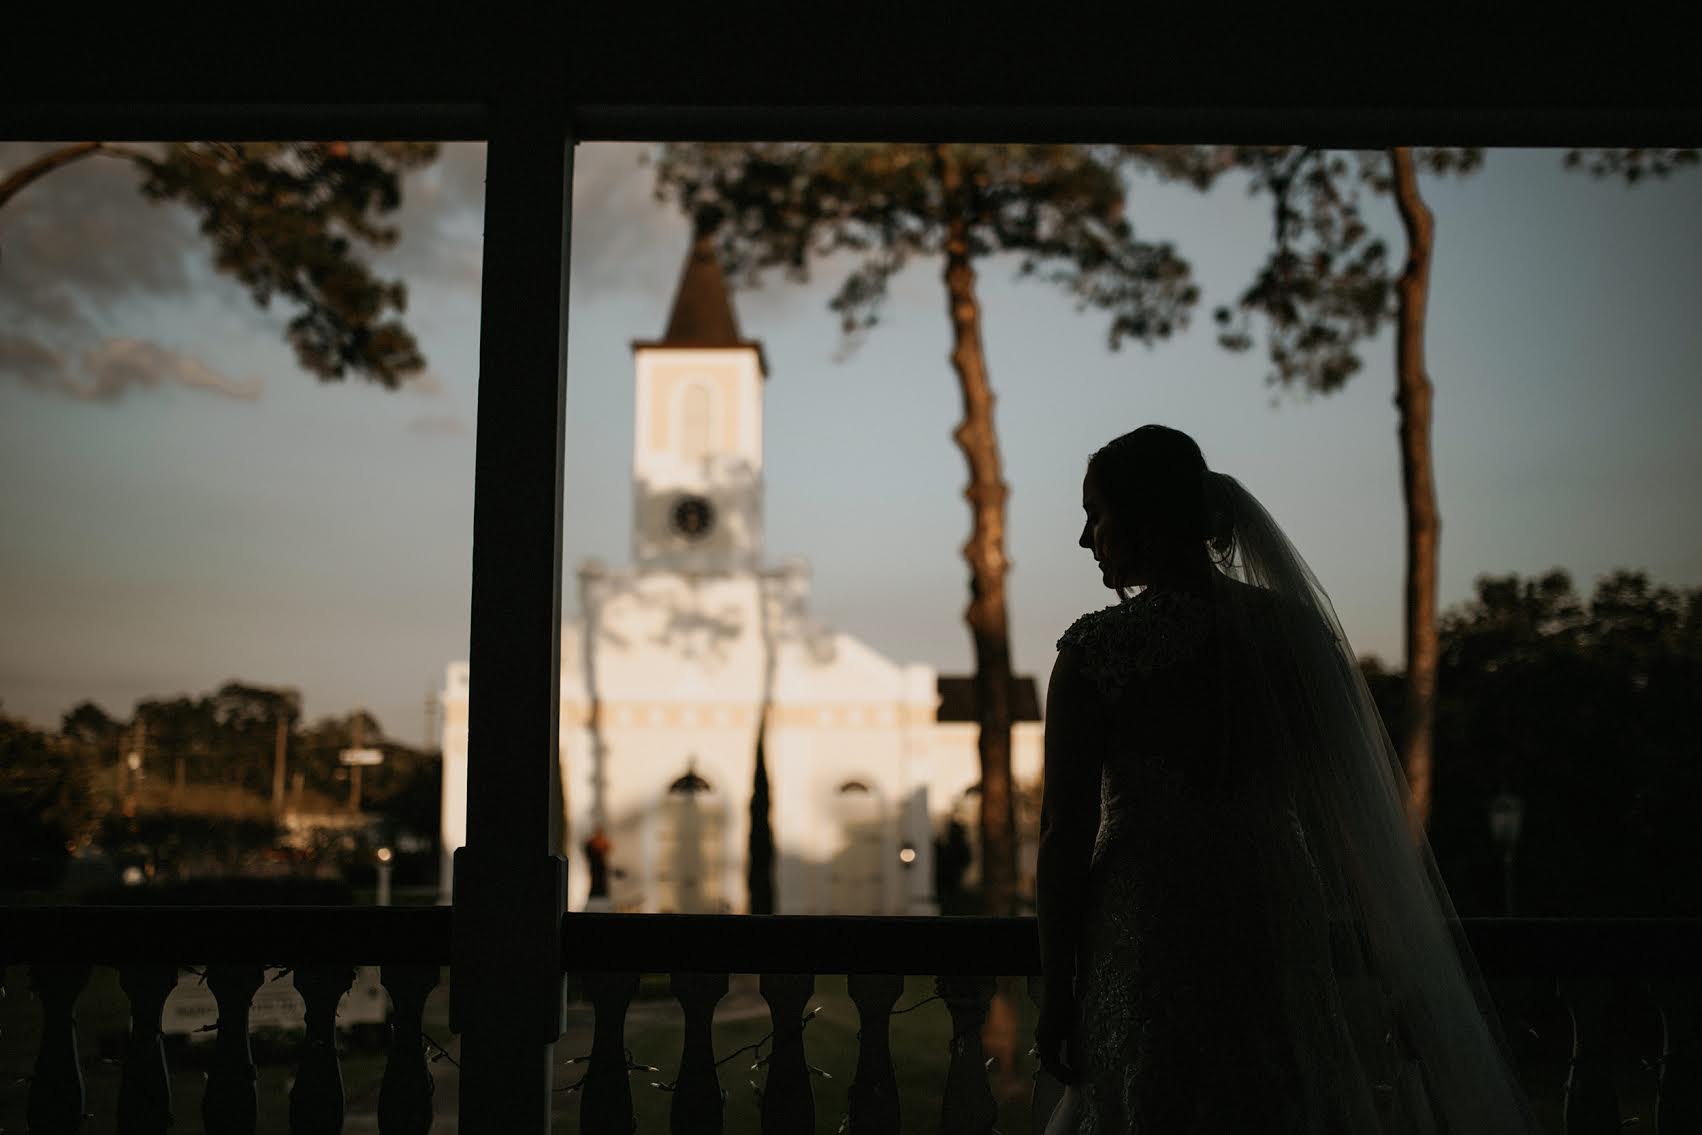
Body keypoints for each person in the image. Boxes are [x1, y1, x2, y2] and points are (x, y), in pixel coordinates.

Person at [1033, 425, 1536, 1133]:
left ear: (1142, 517)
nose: (1087, 538)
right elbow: (1349, 815)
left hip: (1152, 922)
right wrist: (1398, 964)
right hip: (1271, 906)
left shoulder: (1094, 653)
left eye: (1096, 514)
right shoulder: (1294, 635)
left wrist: (1057, 989)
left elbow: (1063, 832)